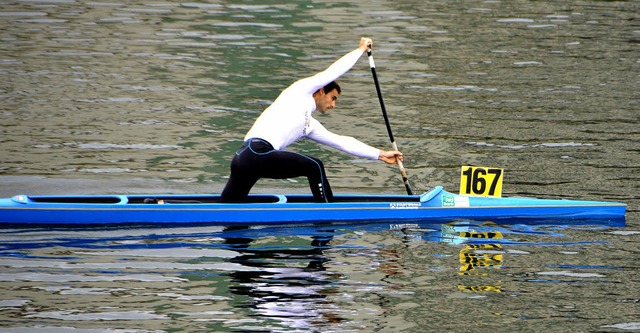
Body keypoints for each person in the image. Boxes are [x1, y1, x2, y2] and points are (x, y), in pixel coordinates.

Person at [220, 37, 403, 203]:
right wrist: (360, 50)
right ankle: (328, 214)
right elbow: (332, 72)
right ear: (322, 91)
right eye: (333, 98)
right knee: (314, 166)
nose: (333, 105)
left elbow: (341, 142)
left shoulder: (309, 124)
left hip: (244, 158)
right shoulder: (301, 90)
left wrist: (380, 154)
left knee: (228, 208)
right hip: (257, 153)